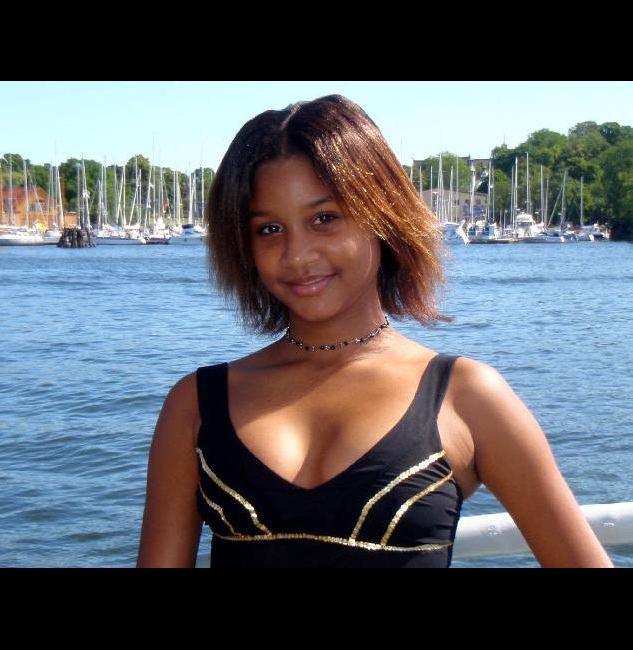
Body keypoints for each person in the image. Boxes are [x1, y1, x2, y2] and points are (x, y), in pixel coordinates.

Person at [136, 95, 613, 568]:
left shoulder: (467, 397)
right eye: (269, 229)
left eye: (324, 219)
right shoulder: (195, 404)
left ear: (382, 216)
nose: (297, 255)